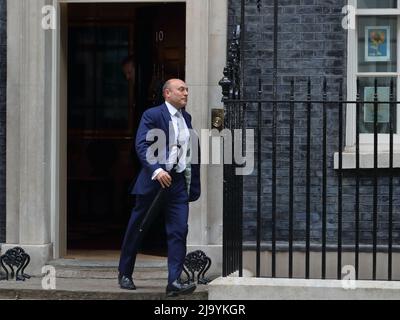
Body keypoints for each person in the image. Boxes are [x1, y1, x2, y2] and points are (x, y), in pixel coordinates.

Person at [118, 79, 201, 297]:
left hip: (178, 183)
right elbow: (142, 144)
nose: (185, 93)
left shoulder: (187, 118)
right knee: (138, 228)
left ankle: (174, 281)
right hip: (155, 181)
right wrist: (156, 169)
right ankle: (125, 273)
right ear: (167, 93)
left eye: (186, 89)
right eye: (181, 89)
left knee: (179, 231)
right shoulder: (152, 115)